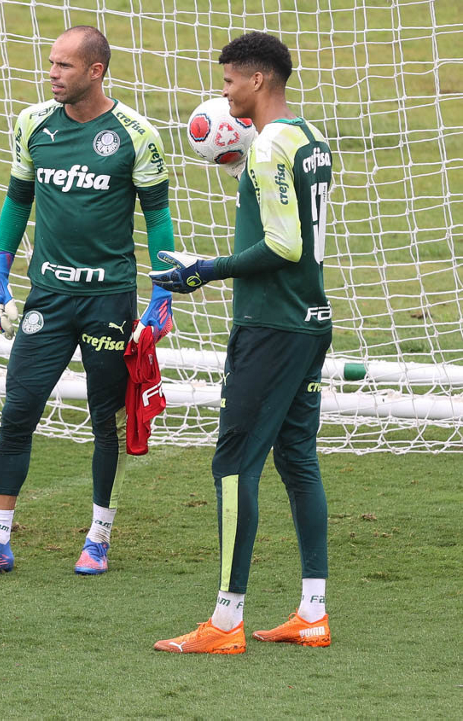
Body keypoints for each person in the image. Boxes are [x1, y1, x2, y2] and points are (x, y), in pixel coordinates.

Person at [0, 25, 178, 578]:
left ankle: (98, 538)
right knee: (17, 411)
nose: (52, 74)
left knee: (107, 421)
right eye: (51, 63)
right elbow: (17, 199)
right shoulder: (33, 124)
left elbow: (158, 219)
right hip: (47, 299)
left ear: (96, 71)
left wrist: (162, 294)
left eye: (65, 66)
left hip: (108, 301)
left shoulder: (136, 136)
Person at [151, 31, 333, 654]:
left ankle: (226, 622)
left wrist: (205, 270)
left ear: (257, 80)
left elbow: (284, 244)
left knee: (233, 466)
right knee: (298, 460)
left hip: (271, 327)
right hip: (310, 319)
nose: (224, 92)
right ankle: (312, 613)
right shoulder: (309, 137)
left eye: (229, 81)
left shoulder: (269, 147)